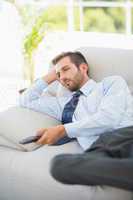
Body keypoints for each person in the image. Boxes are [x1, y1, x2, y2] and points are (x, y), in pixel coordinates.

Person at [19, 51, 133, 190]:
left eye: (66, 69)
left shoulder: (110, 83)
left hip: (125, 138)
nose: (62, 77)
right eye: (59, 74)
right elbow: (26, 100)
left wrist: (63, 130)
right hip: (98, 152)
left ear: (83, 68)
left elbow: (109, 119)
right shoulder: (64, 104)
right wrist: (51, 76)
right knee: (59, 166)